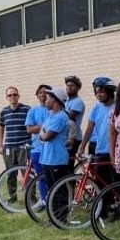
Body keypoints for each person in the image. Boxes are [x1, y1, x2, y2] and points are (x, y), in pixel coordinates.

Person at [78, 77, 117, 216]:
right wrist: (82, 147)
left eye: (102, 91)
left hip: (115, 151)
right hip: (100, 150)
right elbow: (89, 129)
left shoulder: (117, 107)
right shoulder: (96, 107)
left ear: (110, 91)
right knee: (100, 182)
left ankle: (117, 208)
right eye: (96, 91)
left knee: (115, 182)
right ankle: (102, 210)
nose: (99, 94)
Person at [39, 87, 72, 221]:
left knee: (59, 190)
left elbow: (47, 136)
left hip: (57, 158)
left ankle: (61, 218)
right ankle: (53, 217)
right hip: (47, 158)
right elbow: (42, 131)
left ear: (56, 100)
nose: (45, 100)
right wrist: (43, 134)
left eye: (48, 98)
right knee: (51, 189)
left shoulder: (61, 116)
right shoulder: (50, 115)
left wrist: (42, 135)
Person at [0, 86, 31, 202]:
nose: (12, 97)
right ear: (6, 97)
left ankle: (31, 198)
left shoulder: (27, 109)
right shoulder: (3, 112)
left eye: (14, 94)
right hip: (9, 148)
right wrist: (0, 145)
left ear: (18, 96)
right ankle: (12, 197)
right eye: (9, 95)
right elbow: (1, 129)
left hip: (24, 146)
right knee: (11, 174)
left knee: (27, 173)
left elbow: (31, 126)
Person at [24, 84, 52, 210]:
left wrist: (38, 127)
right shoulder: (33, 111)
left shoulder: (53, 109)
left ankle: (52, 199)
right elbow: (29, 129)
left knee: (51, 176)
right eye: (40, 92)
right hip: (37, 148)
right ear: (37, 95)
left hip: (51, 148)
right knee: (40, 176)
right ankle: (43, 200)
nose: (43, 94)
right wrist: (45, 126)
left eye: (45, 92)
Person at [64, 75, 86, 169]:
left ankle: (71, 183)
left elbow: (69, 117)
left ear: (78, 88)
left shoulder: (78, 102)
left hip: (74, 137)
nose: (69, 87)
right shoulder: (66, 101)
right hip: (65, 137)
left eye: (72, 85)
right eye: (68, 85)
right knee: (64, 165)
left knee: (68, 166)